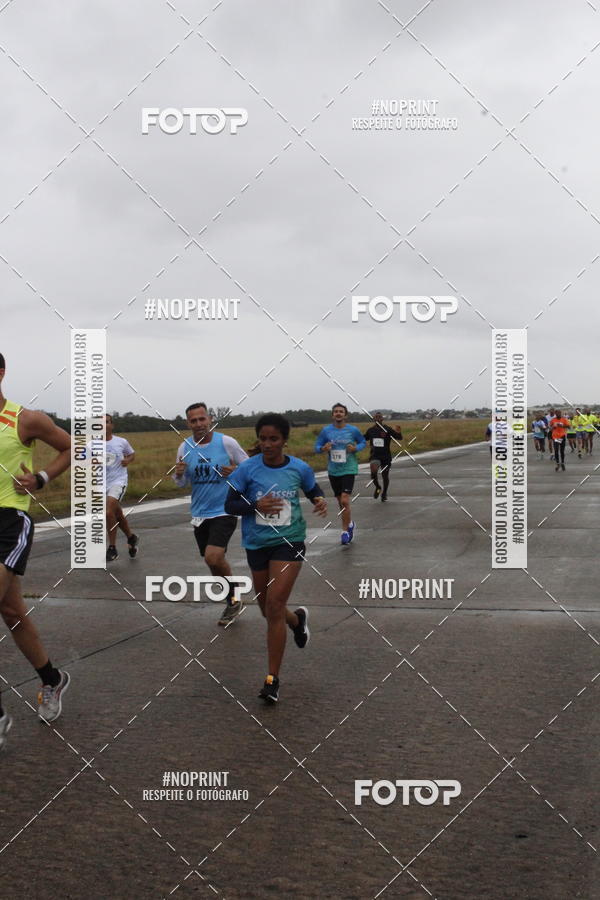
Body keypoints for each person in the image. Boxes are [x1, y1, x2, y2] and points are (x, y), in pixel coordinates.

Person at [225, 414, 327, 703]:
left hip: (290, 541)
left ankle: (272, 679)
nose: (268, 444)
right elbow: (230, 504)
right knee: (267, 609)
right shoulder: (246, 469)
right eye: (263, 439)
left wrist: (318, 500)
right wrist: (255, 504)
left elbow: (312, 489)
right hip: (257, 543)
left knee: (274, 604)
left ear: (284, 440)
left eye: (274, 439)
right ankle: (296, 621)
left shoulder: (299, 468)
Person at [0, 352, 71, 749]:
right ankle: (52, 680)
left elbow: (69, 447)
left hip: (9, 523)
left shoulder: (25, 419)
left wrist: (41, 477)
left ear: (1, 373)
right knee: (11, 612)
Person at [173, 403, 248, 627]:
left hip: (225, 509)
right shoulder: (184, 447)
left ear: (210, 419)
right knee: (213, 563)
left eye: (202, 419)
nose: (198, 424)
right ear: (188, 423)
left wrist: (235, 471)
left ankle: (234, 599)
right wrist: (178, 474)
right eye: (193, 421)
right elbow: (181, 482)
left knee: (213, 557)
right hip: (199, 513)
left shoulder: (226, 442)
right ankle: (232, 598)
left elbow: (250, 468)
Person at [314, 404, 365, 544]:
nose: (338, 414)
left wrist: (355, 448)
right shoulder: (326, 431)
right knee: (340, 502)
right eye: (336, 411)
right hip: (333, 470)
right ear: (332, 415)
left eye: (341, 412)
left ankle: (344, 531)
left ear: (345, 415)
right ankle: (350, 523)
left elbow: (362, 442)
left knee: (344, 500)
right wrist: (323, 448)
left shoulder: (353, 430)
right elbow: (316, 447)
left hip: (349, 468)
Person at [103, 414, 138, 562]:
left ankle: (112, 548)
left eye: (107, 422)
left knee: (108, 512)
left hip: (118, 481)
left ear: (112, 425)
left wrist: (127, 460)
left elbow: (132, 454)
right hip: (101, 483)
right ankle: (131, 537)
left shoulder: (121, 442)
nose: (103, 425)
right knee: (117, 514)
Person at [363, 412, 403, 501]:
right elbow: (363, 438)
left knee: (385, 476)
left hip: (386, 456)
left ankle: (384, 493)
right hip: (375, 456)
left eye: (379, 417)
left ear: (382, 419)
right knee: (373, 473)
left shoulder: (387, 429)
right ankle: (378, 487)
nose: (378, 418)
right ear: (374, 419)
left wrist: (399, 432)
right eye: (376, 417)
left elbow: (399, 438)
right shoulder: (370, 430)